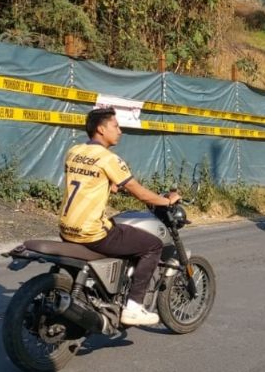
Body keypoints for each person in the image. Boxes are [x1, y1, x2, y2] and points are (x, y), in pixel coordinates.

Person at [59, 107, 181, 327]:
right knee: (152, 245)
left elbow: (85, 179)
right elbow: (139, 191)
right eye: (115, 126)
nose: (120, 131)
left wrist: (110, 184)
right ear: (100, 128)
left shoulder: (73, 151)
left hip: (66, 228)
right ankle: (134, 308)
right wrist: (167, 201)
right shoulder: (108, 158)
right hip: (91, 232)